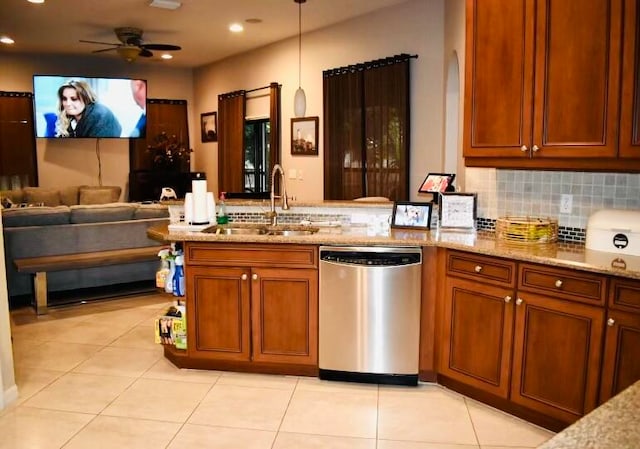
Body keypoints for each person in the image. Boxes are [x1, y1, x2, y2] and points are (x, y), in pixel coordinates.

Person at [54, 79, 121, 138]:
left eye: (74, 99)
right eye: (64, 99)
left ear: (86, 98)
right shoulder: (69, 117)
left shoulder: (99, 116)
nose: (68, 104)